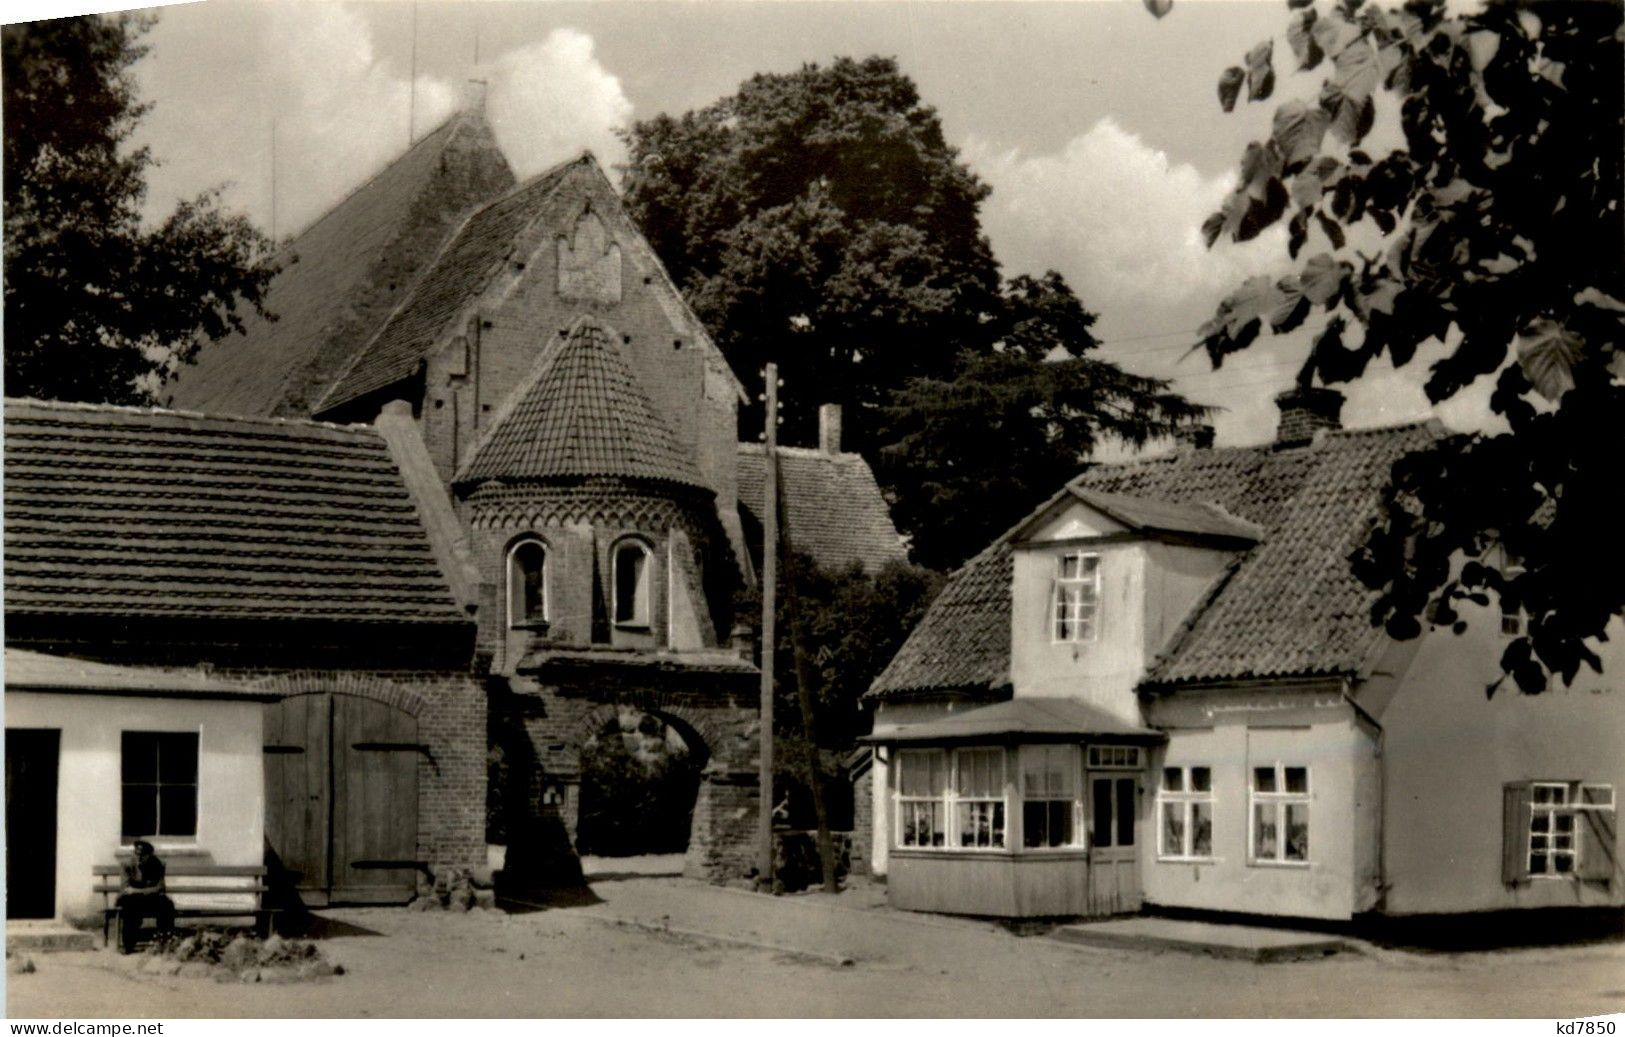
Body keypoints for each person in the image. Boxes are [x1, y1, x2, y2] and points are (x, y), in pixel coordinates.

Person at [117, 840, 174, 953]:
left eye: (143, 855)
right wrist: (145, 891)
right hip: (132, 899)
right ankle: (128, 945)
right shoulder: (126, 864)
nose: (139, 858)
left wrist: (138, 891)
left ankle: (163, 942)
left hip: (148, 898)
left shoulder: (158, 864)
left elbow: (161, 888)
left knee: (167, 904)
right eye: (136, 854)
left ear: (150, 855)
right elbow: (125, 889)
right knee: (130, 906)